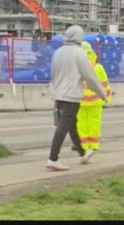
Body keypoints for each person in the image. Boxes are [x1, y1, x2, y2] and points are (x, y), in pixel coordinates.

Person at [47, 25, 108, 171]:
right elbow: (89, 76)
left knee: (72, 124)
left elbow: (53, 75)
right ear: (79, 37)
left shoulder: (58, 52)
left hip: (59, 94)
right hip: (71, 95)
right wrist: (102, 93)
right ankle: (52, 159)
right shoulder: (79, 53)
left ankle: (82, 153)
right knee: (64, 126)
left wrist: (54, 94)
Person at [75, 40, 111, 157]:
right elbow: (105, 84)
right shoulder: (98, 67)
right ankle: (93, 146)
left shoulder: (76, 67)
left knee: (81, 125)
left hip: (80, 102)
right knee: (94, 124)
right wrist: (107, 97)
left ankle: (84, 147)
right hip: (95, 102)